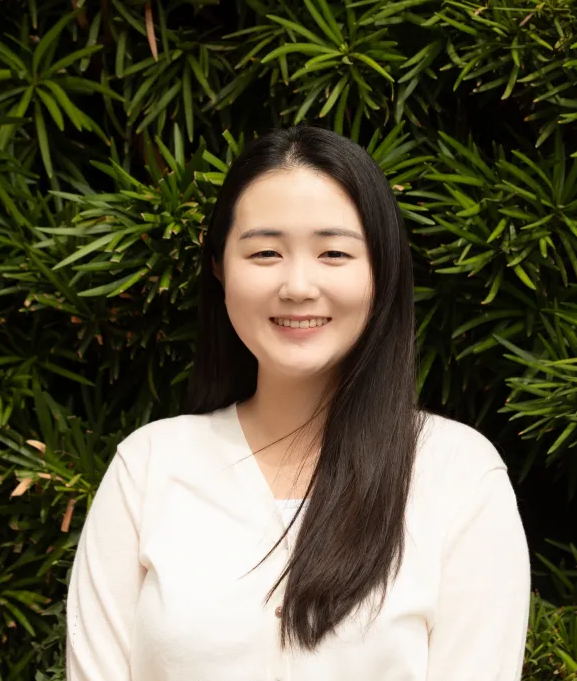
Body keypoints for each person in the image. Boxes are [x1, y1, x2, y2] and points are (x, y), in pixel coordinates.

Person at [65, 126, 531, 680]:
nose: (298, 285)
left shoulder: (458, 475)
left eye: (334, 252)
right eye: (265, 252)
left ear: (381, 270)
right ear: (219, 268)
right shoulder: (149, 467)